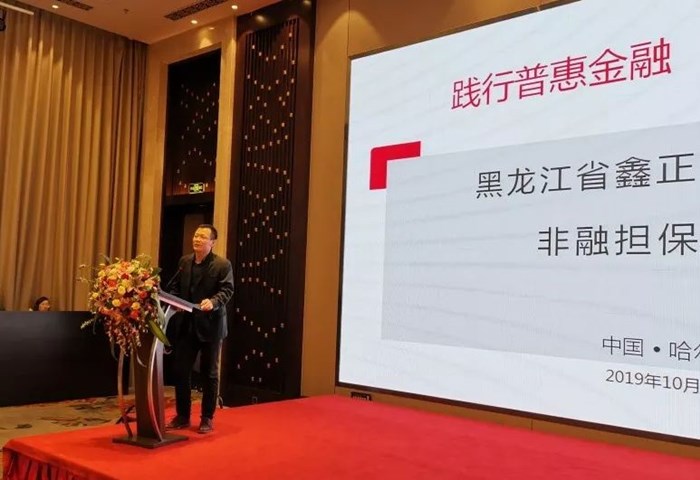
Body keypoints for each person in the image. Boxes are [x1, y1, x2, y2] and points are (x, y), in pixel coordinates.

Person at [167, 224, 234, 434]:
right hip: (187, 325)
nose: (197, 239)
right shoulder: (184, 262)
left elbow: (227, 289)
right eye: (196, 235)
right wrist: (174, 301)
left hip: (211, 326)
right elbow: (175, 287)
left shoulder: (222, 265)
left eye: (203, 237)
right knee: (181, 371)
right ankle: (182, 415)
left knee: (209, 373)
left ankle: (207, 417)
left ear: (212, 242)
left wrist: (213, 302)